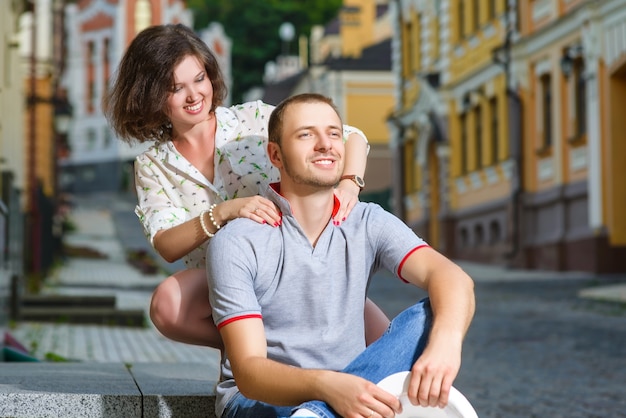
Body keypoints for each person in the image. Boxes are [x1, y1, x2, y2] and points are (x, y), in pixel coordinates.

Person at [102, 24, 390, 350]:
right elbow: (167, 244)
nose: (194, 95)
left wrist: (350, 185)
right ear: (149, 94)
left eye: (199, 79)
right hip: (230, 286)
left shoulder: (253, 119)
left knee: (391, 348)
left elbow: (352, 136)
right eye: (175, 87)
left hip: (303, 268)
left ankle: (300, 348)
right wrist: (225, 212)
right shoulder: (152, 165)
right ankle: (264, 351)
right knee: (167, 305)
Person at [206, 93, 476, 418]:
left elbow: (452, 278)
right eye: (306, 134)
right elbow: (250, 373)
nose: (325, 144)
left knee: (433, 316)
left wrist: (445, 346)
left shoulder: (366, 220)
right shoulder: (238, 240)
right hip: (261, 403)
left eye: (334, 133)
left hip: (351, 389)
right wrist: (328, 386)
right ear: (275, 154)